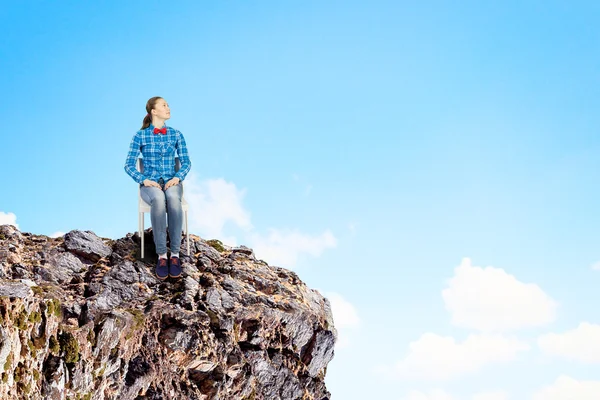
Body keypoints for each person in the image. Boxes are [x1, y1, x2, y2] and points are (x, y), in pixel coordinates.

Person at [124, 96, 192, 280]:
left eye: (168, 105)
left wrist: (178, 177)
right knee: (159, 199)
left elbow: (186, 162)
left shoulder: (176, 134)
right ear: (153, 111)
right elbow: (129, 165)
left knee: (172, 199)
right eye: (164, 105)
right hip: (150, 184)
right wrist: (143, 179)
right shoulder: (140, 136)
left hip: (172, 181)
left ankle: (175, 255)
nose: (168, 108)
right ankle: (162, 256)